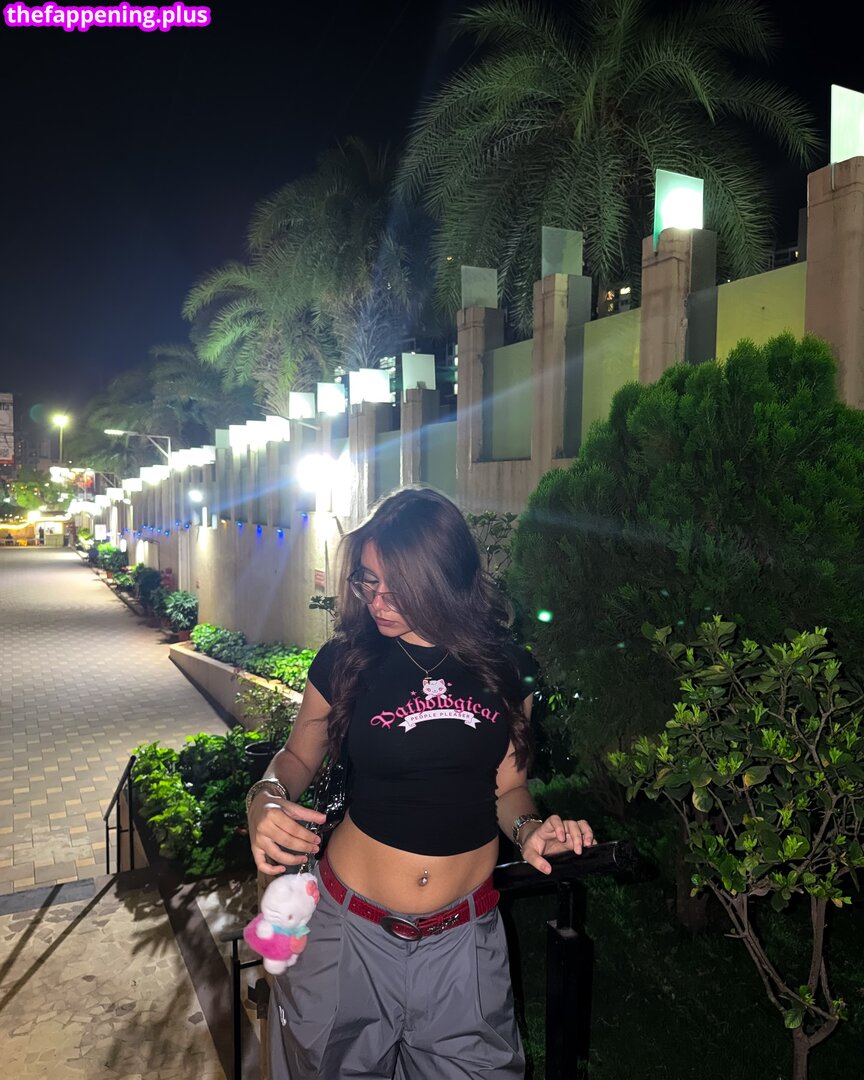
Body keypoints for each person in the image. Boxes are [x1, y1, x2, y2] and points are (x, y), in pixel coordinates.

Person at [246, 487, 595, 1079]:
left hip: (464, 941)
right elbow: (296, 757)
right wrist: (266, 797)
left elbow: (508, 789)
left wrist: (531, 830)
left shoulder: (506, 667)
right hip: (348, 934)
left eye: (397, 586)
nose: (378, 602)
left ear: (444, 577)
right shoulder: (347, 661)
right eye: (369, 582)